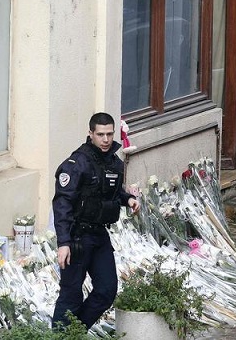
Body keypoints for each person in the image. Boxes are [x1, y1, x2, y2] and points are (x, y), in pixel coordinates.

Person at [51, 112, 140, 328]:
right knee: (71, 296)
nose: (106, 139)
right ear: (91, 134)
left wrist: (128, 199)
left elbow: (112, 192)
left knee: (107, 291)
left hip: (99, 236)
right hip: (77, 238)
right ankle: (62, 335)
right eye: (100, 134)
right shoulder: (77, 163)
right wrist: (63, 243)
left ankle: (74, 332)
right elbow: (62, 204)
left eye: (109, 134)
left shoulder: (113, 162)